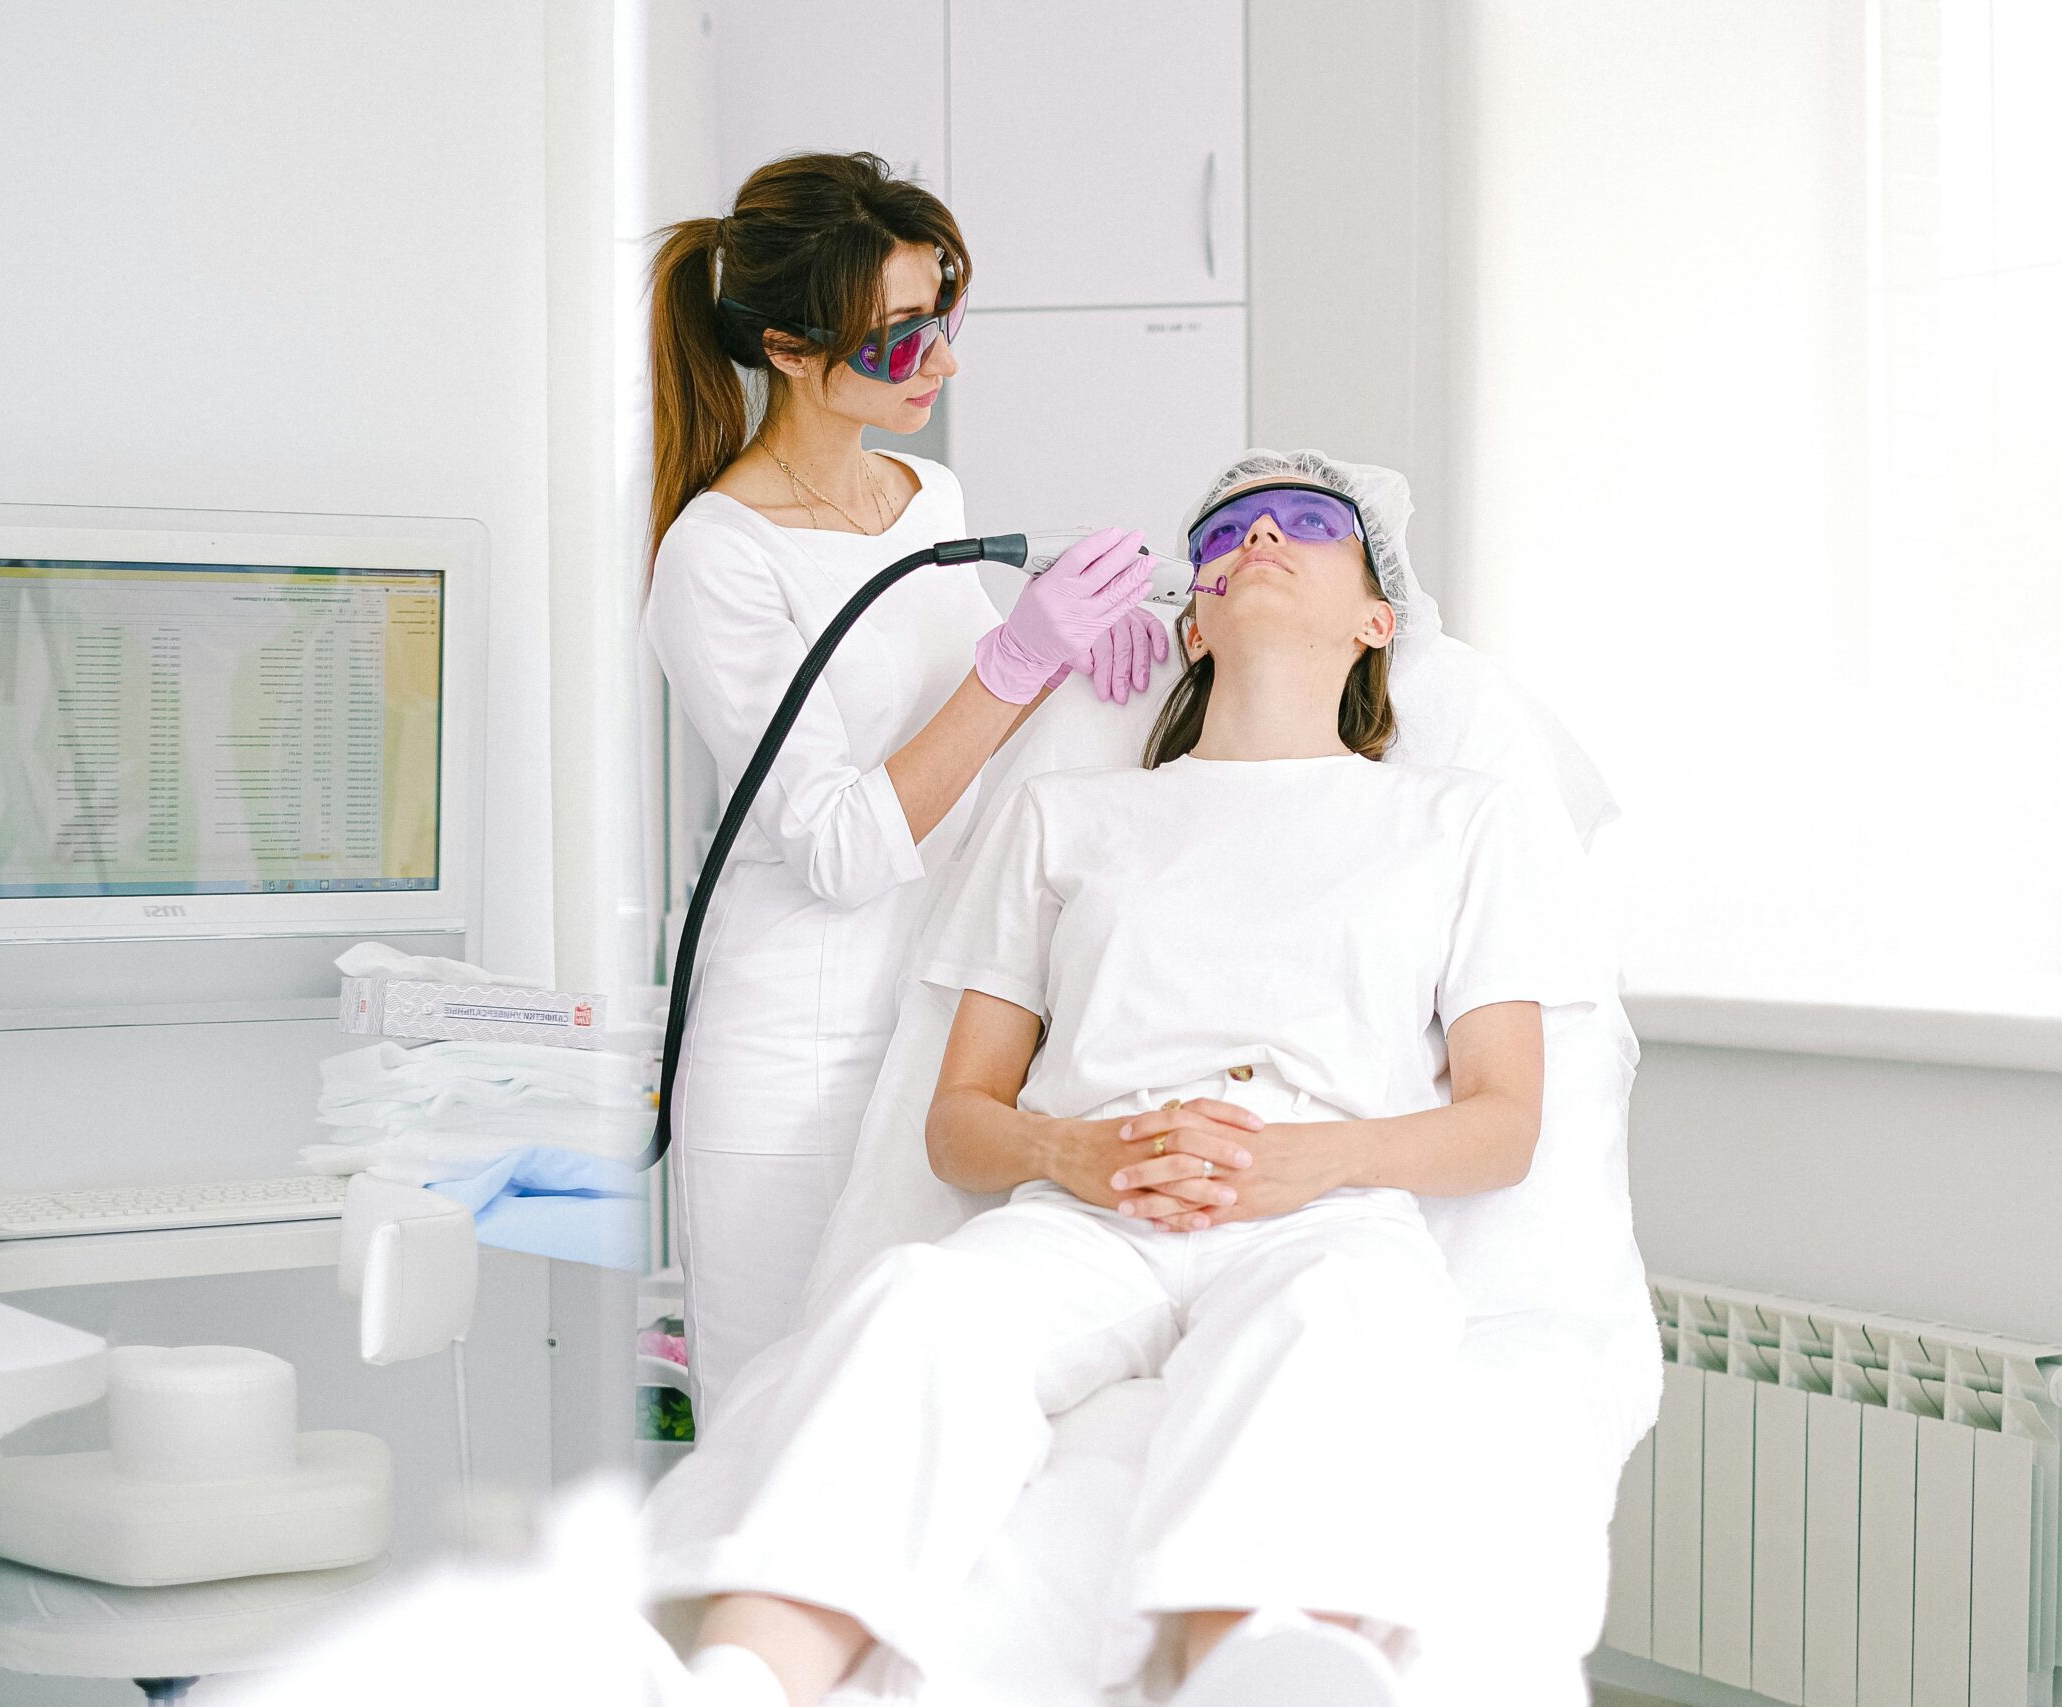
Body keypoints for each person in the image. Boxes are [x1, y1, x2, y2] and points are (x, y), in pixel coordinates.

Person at [632, 452, 1610, 1707]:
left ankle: (1254, 1663)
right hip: (1088, 1211)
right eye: (1228, 534)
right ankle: (745, 1675)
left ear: (1380, 620)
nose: (1260, 538)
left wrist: (1305, 1162)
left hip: (1321, 1216)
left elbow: (1502, 1127)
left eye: (1305, 524)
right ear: (1192, 623)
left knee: (1327, 1327)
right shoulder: (1067, 814)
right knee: (917, 1304)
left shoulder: (1457, 819)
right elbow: (958, 1124)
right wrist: (1072, 1155)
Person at [644, 152, 1169, 1401]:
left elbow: (965, 749)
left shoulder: (927, 496)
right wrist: (1015, 658)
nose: (939, 364)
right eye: (897, 340)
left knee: (905, 1406)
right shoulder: (718, 557)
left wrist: (1068, 658)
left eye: (943, 319)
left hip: (938, 1031)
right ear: (787, 348)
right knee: (781, 1416)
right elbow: (838, 846)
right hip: (800, 1052)